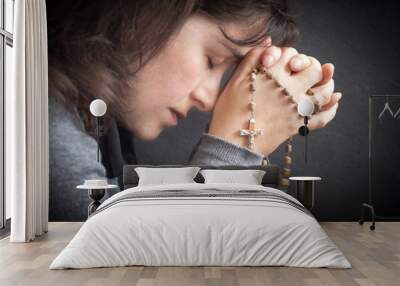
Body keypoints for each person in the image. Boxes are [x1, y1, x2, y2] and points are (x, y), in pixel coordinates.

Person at [47, 0, 341, 221]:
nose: (209, 100)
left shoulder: (104, 124)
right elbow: (137, 253)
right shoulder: (47, 127)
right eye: (212, 60)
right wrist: (235, 145)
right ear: (151, 10)